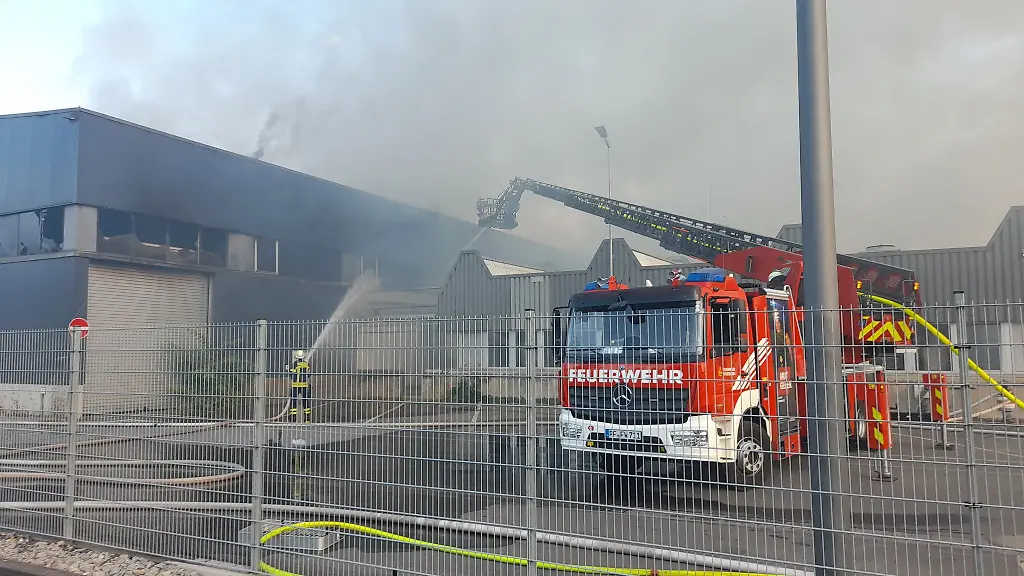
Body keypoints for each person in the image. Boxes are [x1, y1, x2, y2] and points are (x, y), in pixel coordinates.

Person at [289, 349, 311, 423]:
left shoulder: (294, 364)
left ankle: (293, 419)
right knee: (306, 402)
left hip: (295, 386)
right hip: (304, 386)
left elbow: (291, 375)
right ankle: (307, 420)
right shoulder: (306, 364)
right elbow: (309, 375)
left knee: (294, 401)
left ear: (297, 357)